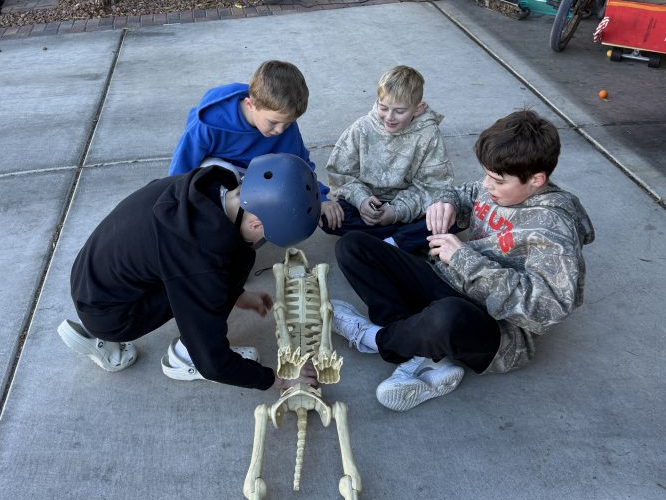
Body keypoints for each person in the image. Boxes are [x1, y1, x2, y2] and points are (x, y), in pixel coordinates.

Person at [331, 109, 594, 412]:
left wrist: (464, 259)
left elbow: (545, 309)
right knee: (354, 246)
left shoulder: (554, 231)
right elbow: (464, 193)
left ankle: (376, 338)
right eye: (486, 175)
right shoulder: (498, 184)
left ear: (536, 180)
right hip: (448, 282)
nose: (487, 185)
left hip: (495, 329)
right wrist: (447, 203)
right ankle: (421, 349)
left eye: (497, 180)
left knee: (448, 316)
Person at [58, 153, 320, 391]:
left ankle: (99, 332)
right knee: (234, 262)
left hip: (91, 279)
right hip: (110, 315)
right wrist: (281, 379)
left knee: (233, 255)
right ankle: (184, 358)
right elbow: (214, 364)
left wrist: (238, 295)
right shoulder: (198, 260)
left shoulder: (207, 185)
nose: (264, 242)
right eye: (266, 237)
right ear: (256, 223)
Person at [167, 59, 343, 229]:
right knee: (215, 172)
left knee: (292, 201)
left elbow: (300, 164)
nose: (280, 130)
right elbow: (183, 164)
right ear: (250, 104)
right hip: (220, 176)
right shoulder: (208, 122)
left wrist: (321, 199)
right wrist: (173, 203)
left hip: (257, 177)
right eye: (273, 122)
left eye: (288, 123)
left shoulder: (283, 124)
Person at [321, 65, 452, 252]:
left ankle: (387, 241)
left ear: (418, 109)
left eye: (399, 111)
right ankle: (400, 240)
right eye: (383, 108)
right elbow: (341, 174)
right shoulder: (362, 128)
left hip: (408, 208)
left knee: (452, 216)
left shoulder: (429, 134)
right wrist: (362, 200)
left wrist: (396, 211)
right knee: (328, 218)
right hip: (367, 206)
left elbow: (433, 186)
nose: (389, 117)